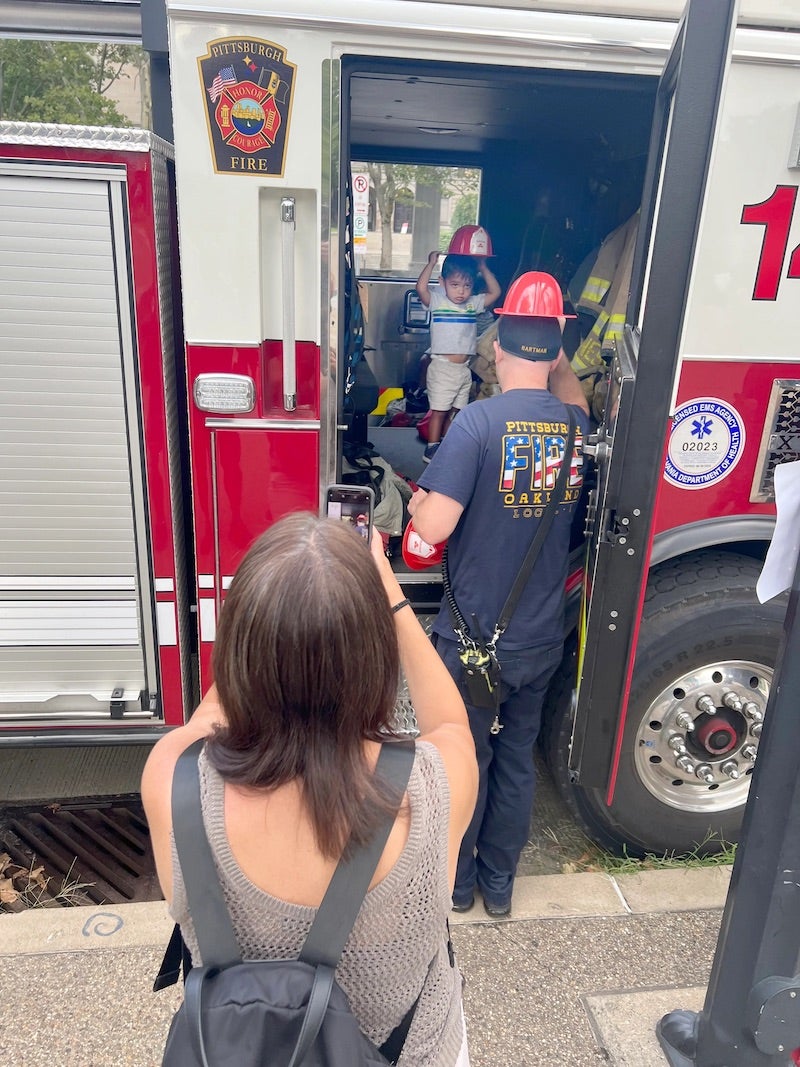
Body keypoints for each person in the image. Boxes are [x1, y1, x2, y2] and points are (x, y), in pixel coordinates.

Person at [141, 513, 478, 1066]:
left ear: (241, 650)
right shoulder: (434, 785)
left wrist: (273, 628)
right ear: (374, 658)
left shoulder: (172, 776)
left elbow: (210, 716)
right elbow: (452, 726)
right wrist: (388, 596)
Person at [407, 272, 590, 918]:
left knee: (467, 755)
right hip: (540, 638)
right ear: (555, 347)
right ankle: (502, 886)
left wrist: (420, 497)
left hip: (475, 642)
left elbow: (433, 529)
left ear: (498, 348)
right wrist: (558, 354)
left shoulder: (479, 425)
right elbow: (572, 396)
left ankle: (458, 885)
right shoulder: (574, 429)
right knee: (515, 759)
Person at [416, 251, 501, 463]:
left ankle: (445, 443)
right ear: (442, 282)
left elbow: (496, 292)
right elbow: (420, 289)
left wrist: (483, 267)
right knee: (439, 410)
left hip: (463, 369)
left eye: (467, 286)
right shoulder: (437, 300)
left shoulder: (473, 303)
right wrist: (431, 263)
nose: (461, 292)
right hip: (443, 368)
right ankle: (432, 448)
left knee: (455, 410)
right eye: (454, 285)